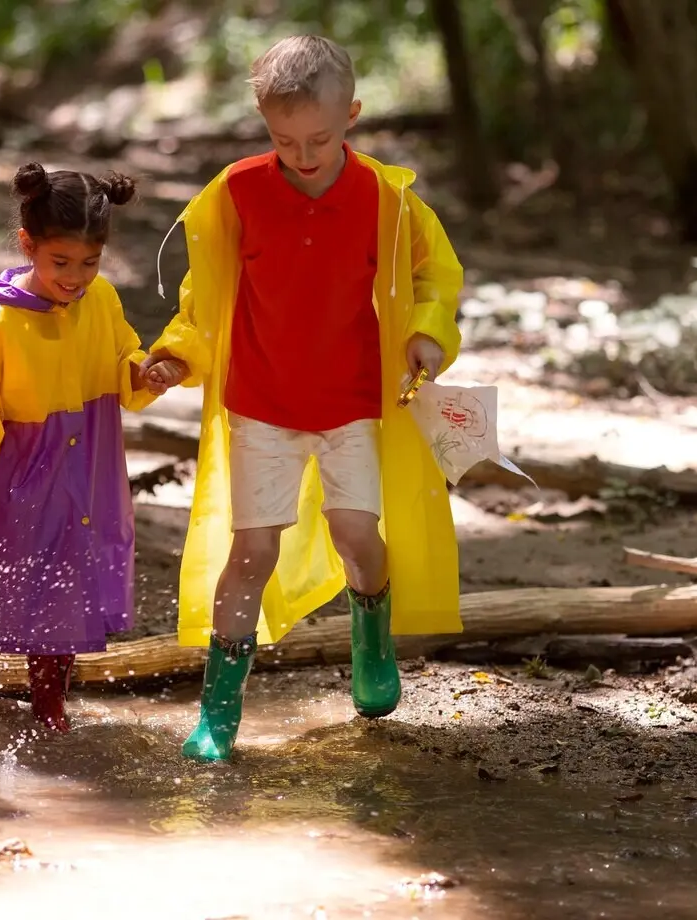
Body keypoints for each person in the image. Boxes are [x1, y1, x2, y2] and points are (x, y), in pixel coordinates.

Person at [141, 35, 466, 762]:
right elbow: (205, 299)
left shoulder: (388, 198)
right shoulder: (237, 193)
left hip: (352, 401)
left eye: (319, 138)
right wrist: (175, 356)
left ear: (351, 115)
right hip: (260, 400)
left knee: (357, 534)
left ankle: (371, 631)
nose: (304, 155)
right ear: (263, 124)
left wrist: (426, 335)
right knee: (251, 550)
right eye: (284, 140)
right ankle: (219, 712)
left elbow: (432, 279)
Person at [0, 162, 156, 734]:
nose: (75, 277)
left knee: (67, 588)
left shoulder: (99, 301)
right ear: (29, 244)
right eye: (61, 263)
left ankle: (50, 706)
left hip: (82, 474)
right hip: (15, 481)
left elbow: (123, 357)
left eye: (89, 263)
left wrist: (146, 374)